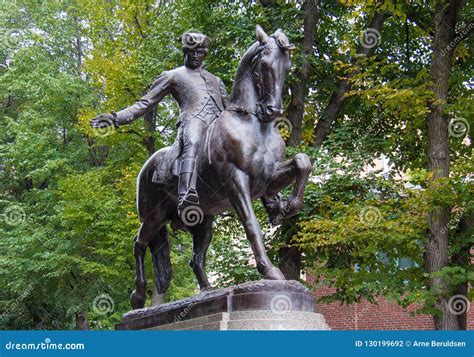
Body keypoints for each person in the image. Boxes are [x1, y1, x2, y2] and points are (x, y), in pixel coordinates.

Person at [90, 32, 229, 214]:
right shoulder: (172, 76)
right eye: (192, 52)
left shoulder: (215, 80)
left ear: (205, 53)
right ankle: (186, 192)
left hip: (219, 125)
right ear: (185, 52)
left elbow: (230, 107)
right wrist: (116, 118)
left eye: (200, 52)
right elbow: (145, 103)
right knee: (193, 141)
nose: (196, 56)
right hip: (193, 120)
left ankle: (269, 195)